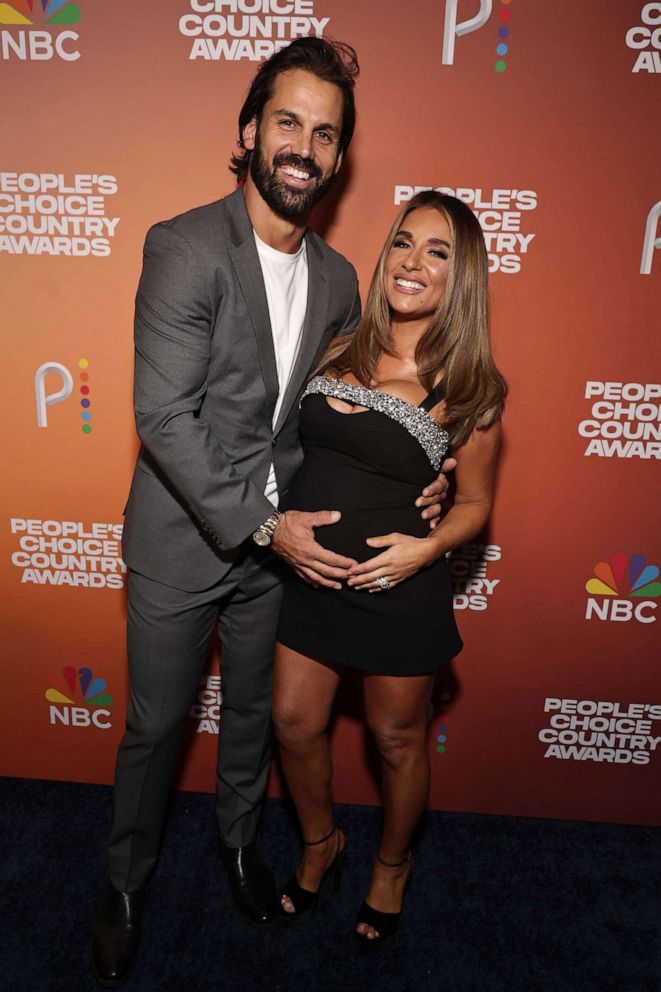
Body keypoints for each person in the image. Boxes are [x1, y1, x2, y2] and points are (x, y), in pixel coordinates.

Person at [91, 38, 452, 987]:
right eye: (287, 122)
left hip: (279, 555)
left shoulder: (339, 280)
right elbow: (163, 417)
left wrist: (433, 468)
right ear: (249, 132)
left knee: (251, 718)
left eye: (325, 134)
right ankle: (126, 884)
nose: (304, 145)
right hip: (184, 540)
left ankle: (243, 848)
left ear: (338, 159)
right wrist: (261, 525)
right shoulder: (183, 245)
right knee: (158, 725)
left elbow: (353, 412)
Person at [272, 189, 507, 952]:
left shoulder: (470, 389)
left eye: (436, 252)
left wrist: (424, 550)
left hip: (396, 590)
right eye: (404, 242)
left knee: (396, 740)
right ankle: (319, 844)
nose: (412, 262)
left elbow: (472, 504)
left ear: (459, 276)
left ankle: (392, 866)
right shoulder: (338, 342)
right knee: (294, 724)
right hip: (306, 575)